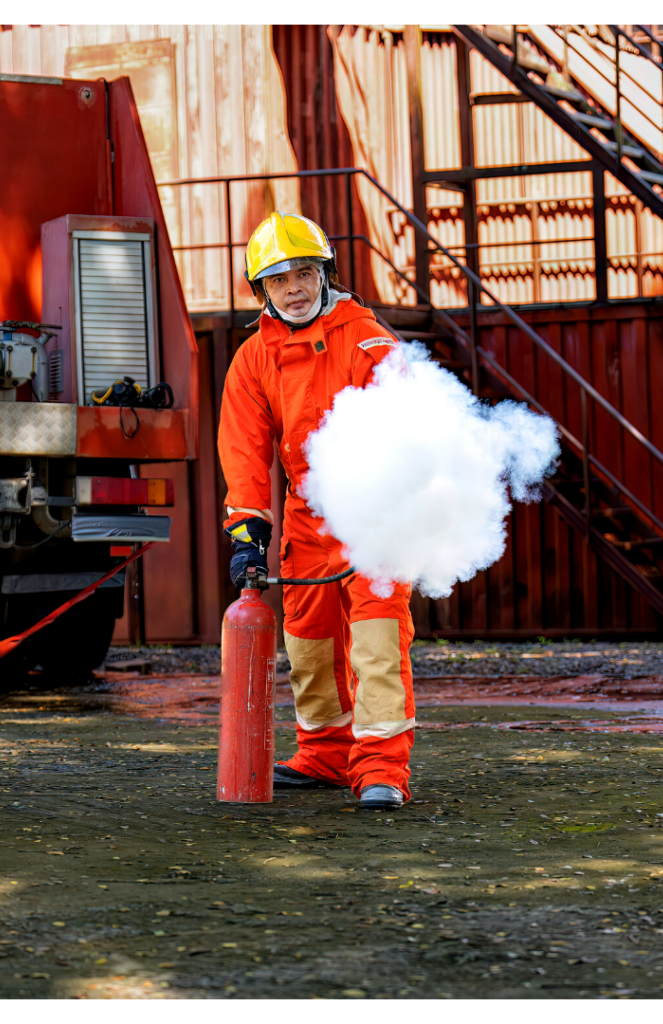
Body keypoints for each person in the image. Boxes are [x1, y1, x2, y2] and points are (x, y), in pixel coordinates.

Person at [217, 211, 415, 811]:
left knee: (377, 641)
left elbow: (406, 428)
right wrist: (248, 535)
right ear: (262, 292)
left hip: (373, 510)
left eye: (303, 273)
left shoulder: (369, 340)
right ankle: (326, 754)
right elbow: (245, 454)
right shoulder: (254, 359)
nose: (294, 288)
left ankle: (382, 768)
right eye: (278, 280)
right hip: (305, 516)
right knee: (307, 640)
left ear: (323, 273)